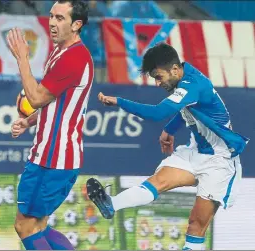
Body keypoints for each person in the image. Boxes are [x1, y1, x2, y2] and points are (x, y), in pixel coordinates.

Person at [86, 42, 249, 250]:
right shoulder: (184, 80)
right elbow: (190, 110)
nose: (157, 83)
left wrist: (119, 101)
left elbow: (156, 113)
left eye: (158, 77)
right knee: (158, 181)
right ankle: (111, 204)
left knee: (196, 225)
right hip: (196, 152)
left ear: (174, 69)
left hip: (220, 160)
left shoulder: (193, 84)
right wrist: (170, 130)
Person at [8, 0, 94, 250]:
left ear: (76, 24)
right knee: (39, 226)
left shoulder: (75, 58)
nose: (52, 23)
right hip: (57, 158)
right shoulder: (62, 51)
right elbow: (53, 103)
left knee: (25, 226)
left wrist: (23, 58)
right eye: (51, 16)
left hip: (52, 159)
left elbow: (34, 98)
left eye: (60, 18)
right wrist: (30, 121)